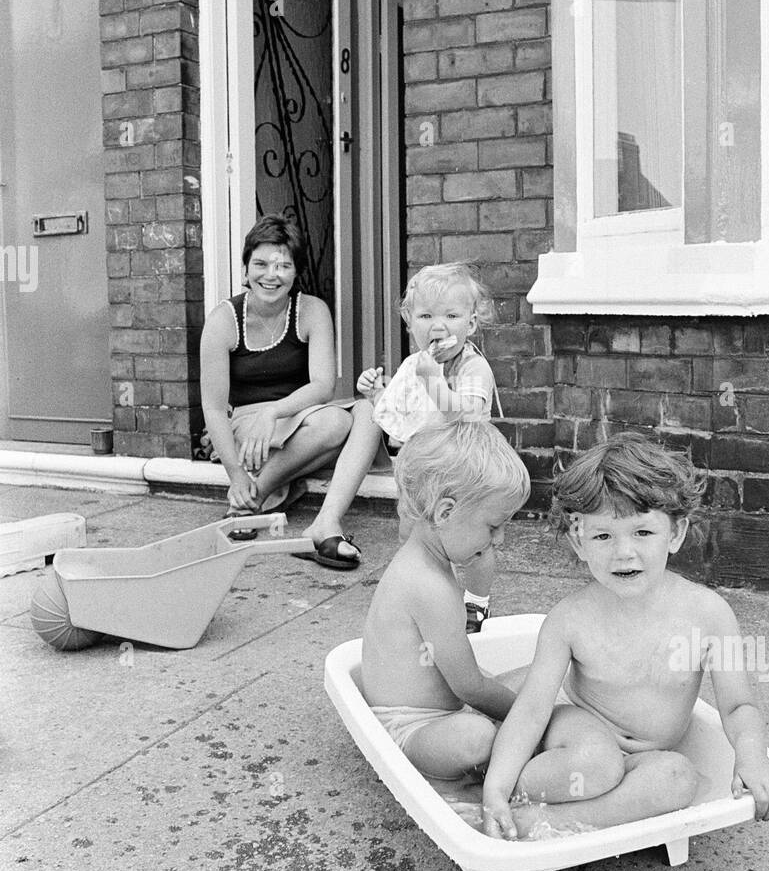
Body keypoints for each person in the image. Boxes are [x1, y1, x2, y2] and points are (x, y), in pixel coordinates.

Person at [481, 432, 769, 840]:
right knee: (594, 763)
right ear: (579, 540)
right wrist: (496, 789)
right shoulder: (569, 619)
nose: (623, 552)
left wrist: (753, 758)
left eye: (642, 533)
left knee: (678, 778)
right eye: (603, 535)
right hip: (575, 736)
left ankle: (556, 823)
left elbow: (737, 706)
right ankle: (504, 790)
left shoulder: (709, 615)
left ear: (676, 534)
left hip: (641, 760)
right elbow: (532, 711)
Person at [302, 264, 500, 627]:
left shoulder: (474, 369)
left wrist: (435, 381)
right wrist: (377, 393)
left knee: (471, 545)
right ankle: (426, 596)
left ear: (470, 324)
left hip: (463, 474)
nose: (437, 325)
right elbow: (398, 416)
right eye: (425, 315)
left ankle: (476, 601)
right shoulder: (415, 366)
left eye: (451, 315)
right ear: (410, 324)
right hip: (418, 475)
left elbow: (466, 413)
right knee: (414, 538)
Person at [361, 419, 531, 781]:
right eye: (493, 525)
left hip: (444, 712)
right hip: (412, 731)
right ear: (445, 512)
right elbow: (469, 687)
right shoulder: (428, 586)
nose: (499, 539)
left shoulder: (428, 546)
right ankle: (509, 770)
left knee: (542, 676)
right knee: (479, 736)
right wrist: (532, 720)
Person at [200, 215, 353, 522]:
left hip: (296, 415)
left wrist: (273, 413)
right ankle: (251, 483)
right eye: (261, 264)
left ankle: (252, 498)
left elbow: (323, 386)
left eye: (283, 266)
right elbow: (214, 408)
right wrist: (234, 473)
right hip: (246, 424)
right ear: (245, 267)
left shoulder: (312, 310)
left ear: (296, 272)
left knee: (337, 423)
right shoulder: (223, 320)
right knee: (331, 441)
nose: (271, 275)